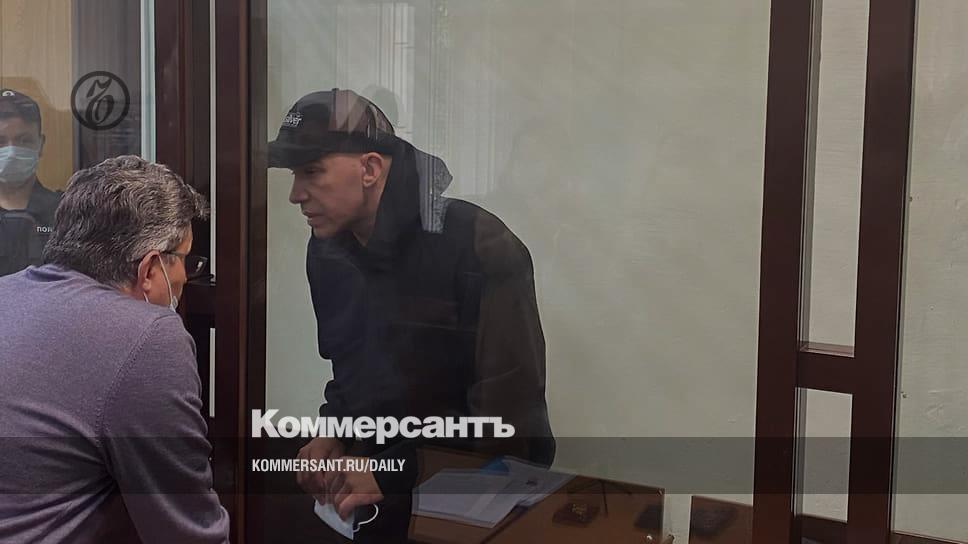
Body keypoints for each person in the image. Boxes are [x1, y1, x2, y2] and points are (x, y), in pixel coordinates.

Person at [267, 89, 555, 541]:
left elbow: (510, 423)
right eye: (293, 174)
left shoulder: (477, 244)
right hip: (378, 495)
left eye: (312, 172)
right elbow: (352, 372)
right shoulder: (328, 251)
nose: (295, 195)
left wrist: (395, 471)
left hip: (475, 499)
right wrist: (332, 431)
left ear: (369, 168)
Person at [0, 156, 229, 543]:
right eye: (185, 260)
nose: (185, 277)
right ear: (151, 268)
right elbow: (187, 530)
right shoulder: (149, 336)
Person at [0, 88, 61, 276]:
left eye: (24, 140)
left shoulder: (65, 213)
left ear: (40, 144)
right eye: (0, 141)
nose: (11, 152)